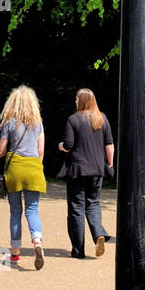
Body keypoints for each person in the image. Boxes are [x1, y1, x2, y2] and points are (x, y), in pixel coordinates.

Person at [0, 85, 46, 269]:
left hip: (15, 168)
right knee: (32, 209)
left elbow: (1, 149)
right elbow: (41, 150)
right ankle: (37, 242)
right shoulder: (38, 122)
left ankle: (15, 254)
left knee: (15, 212)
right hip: (33, 168)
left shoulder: (9, 123)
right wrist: (36, 166)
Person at [59, 88, 114, 259]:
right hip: (97, 169)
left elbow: (68, 145)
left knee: (76, 208)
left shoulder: (73, 119)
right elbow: (109, 144)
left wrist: (60, 146)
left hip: (78, 169)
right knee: (93, 203)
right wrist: (109, 164)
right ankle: (98, 233)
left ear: (81, 101)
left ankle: (78, 250)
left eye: (76, 99)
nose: (75, 101)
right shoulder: (102, 118)